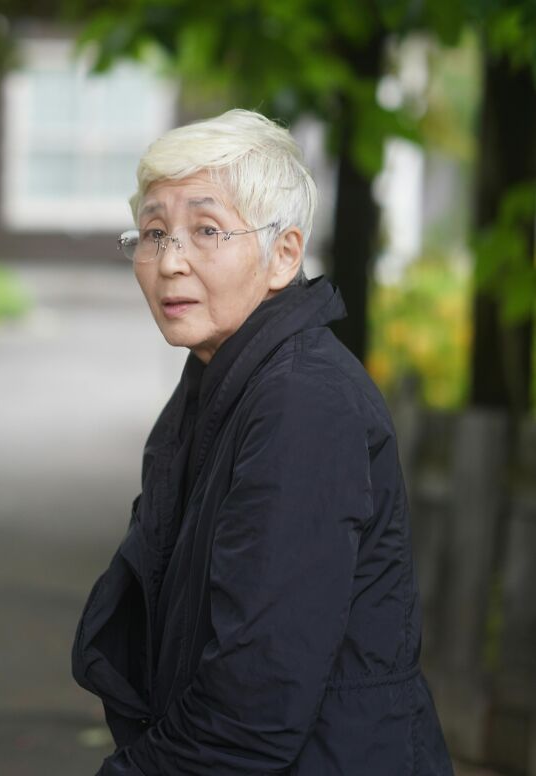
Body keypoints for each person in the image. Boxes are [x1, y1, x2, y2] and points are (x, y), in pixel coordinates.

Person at [72, 109, 453, 775]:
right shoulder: (221, 378)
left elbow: (251, 710)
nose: (170, 261)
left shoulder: (303, 404)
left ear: (283, 255)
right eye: (154, 232)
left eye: (206, 229)